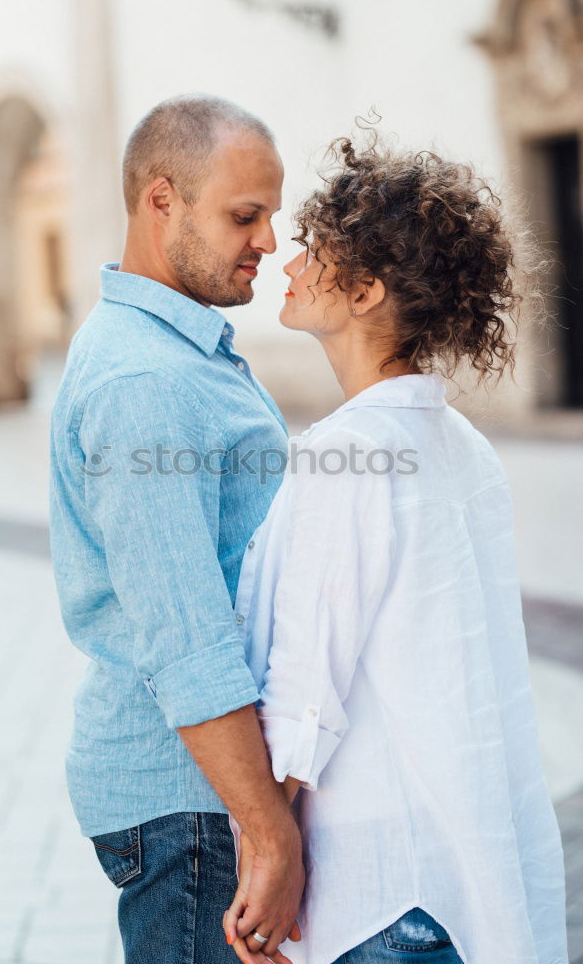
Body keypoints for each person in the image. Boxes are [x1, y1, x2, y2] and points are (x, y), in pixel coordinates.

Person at [223, 135, 569, 964]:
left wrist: (267, 859)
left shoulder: (346, 454)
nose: (289, 263)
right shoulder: (459, 446)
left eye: (316, 251)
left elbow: (307, 683)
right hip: (459, 869)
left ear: (368, 290)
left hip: (376, 884)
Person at [49, 95, 304, 964]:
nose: (269, 241)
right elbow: (185, 634)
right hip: (192, 808)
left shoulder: (175, 351)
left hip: (204, 801)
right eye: (246, 215)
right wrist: (268, 835)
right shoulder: (143, 379)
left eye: (268, 214)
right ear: (162, 202)